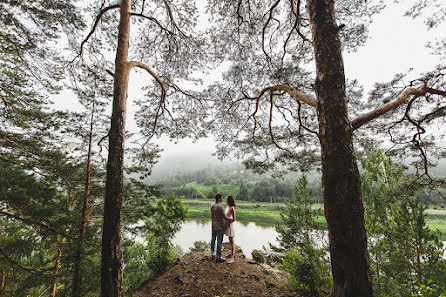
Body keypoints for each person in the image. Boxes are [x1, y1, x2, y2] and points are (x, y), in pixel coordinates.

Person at [210, 193, 233, 263]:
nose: (222, 199)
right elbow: (224, 217)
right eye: (221, 198)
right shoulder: (221, 206)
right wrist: (231, 219)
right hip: (220, 226)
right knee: (219, 242)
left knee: (213, 239)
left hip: (213, 225)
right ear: (219, 198)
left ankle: (213, 254)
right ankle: (219, 257)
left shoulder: (212, 205)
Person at [224, 195, 236, 263]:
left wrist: (227, 222)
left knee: (232, 241)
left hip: (230, 225)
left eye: (226, 199)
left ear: (229, 200)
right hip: (227, 225)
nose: (225, 201)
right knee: (229, 240)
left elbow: (234, 219)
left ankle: (232, 257)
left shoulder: (232, 208)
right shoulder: (227, 206)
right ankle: (231, 253)